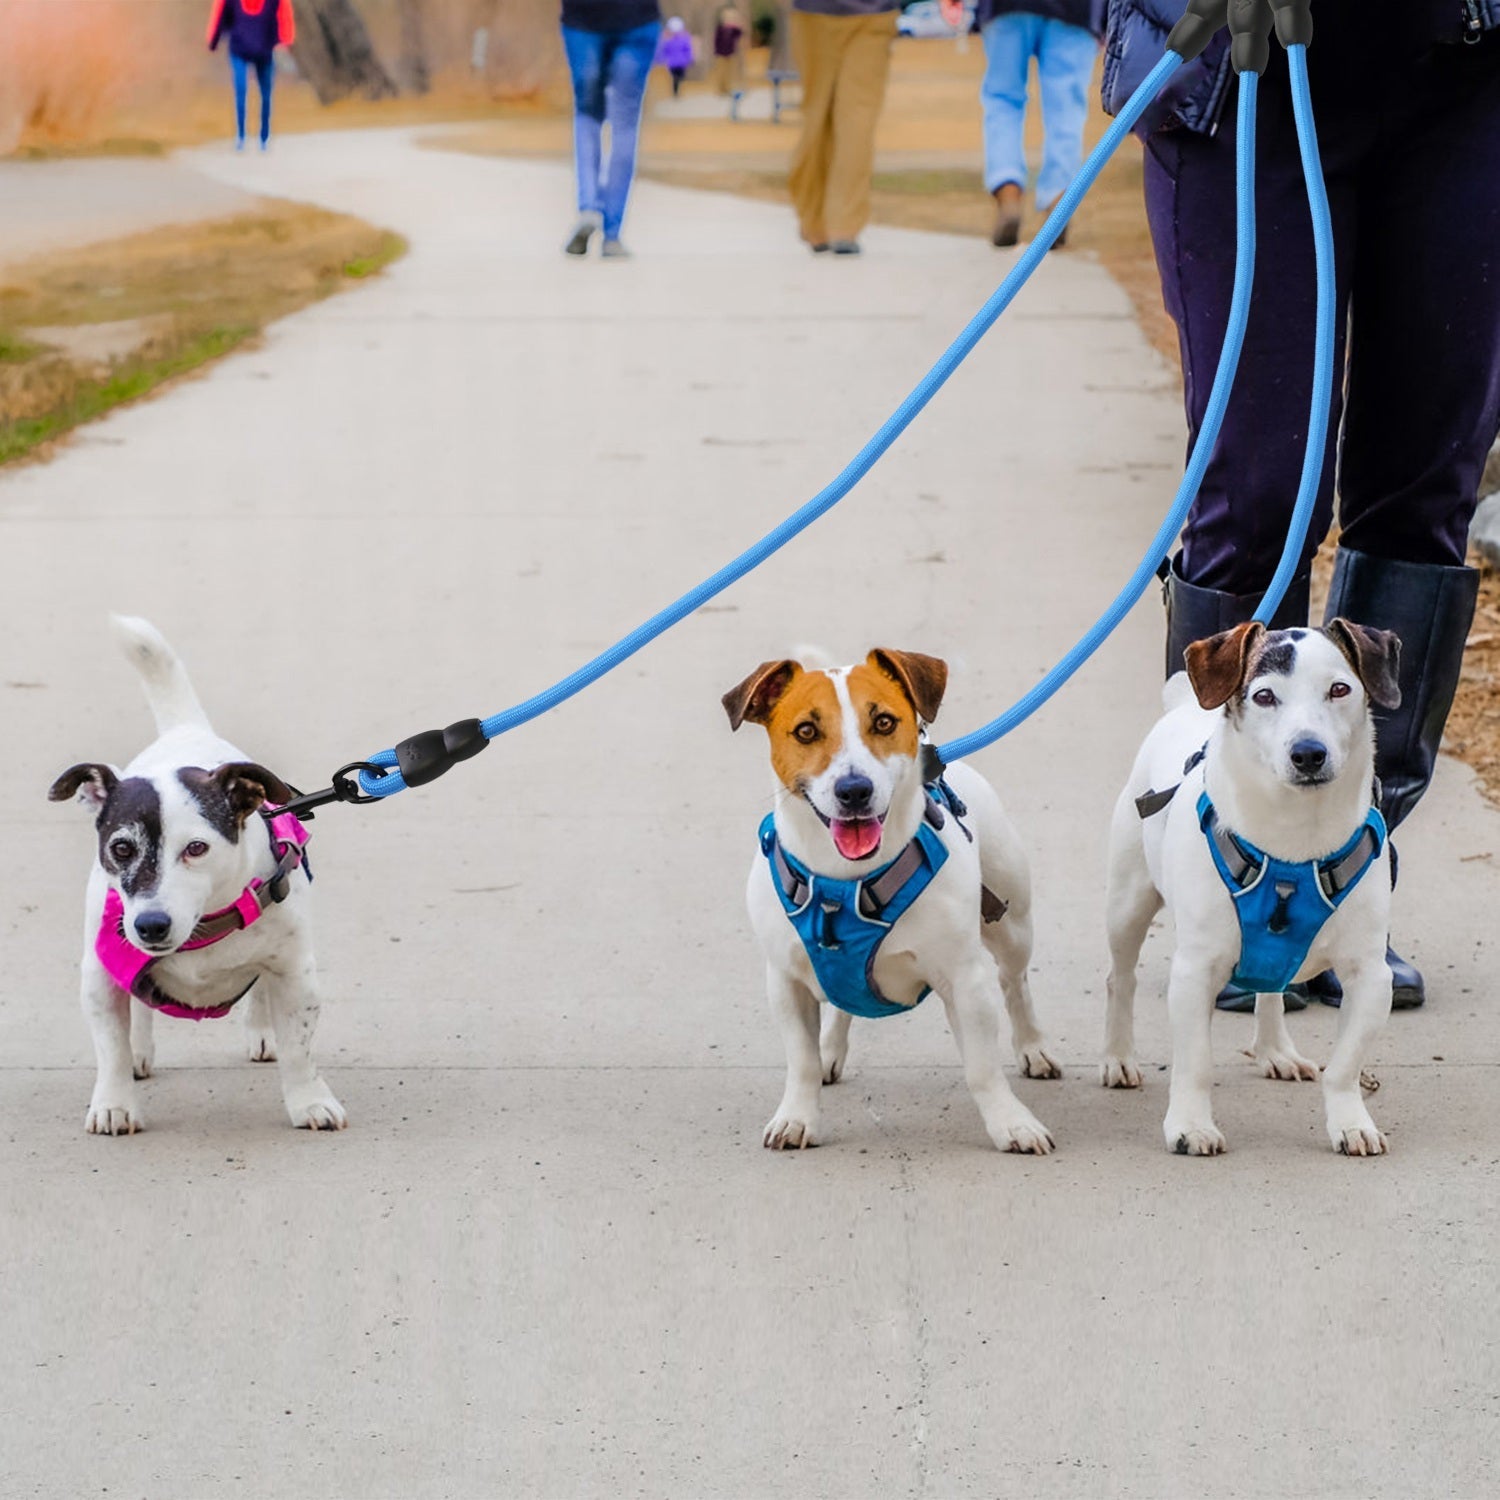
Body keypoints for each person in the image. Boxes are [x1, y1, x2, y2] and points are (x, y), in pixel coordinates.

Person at [1102, 0, 1500, 1010]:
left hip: (1459, 71)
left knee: (1426, 485)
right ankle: (1224, 884)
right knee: (1258, 493)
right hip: (1240, 73)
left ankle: (1341, 890)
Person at [954, 0, 1103, 248]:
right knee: (1066, 108)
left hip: (1006, 7)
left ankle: (1008, 191)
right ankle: (1058, 201)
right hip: (1078, 10)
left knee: (1003, 100)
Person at [787, 0, 901, 256]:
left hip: (814, 12)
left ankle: (815, 222)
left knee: (817, 114)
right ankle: (843, 226)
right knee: (857, 119)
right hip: (872, 12)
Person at [560, 0, 664, 259]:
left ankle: (589, 207)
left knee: (587, 115)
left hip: (582, 19)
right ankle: (612, 235)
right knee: (625, 125)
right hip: (637, 18)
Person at [206, 0, 295, 152]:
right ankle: (241, 136)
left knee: (266, 95)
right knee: (241, 90)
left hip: (265, 50)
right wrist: (213, 41)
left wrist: (284, 41)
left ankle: (264, 137)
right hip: (239, 50)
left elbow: (284, 16)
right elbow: (219, 14)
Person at [712, 6, 747, 96]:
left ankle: (729, 88)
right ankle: (721, 89)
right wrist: (716, 51)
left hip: (731, 53)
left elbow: (740, 34)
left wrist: (738, 24)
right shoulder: (720, 29)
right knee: (721, 72)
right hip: (721, 53)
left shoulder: (733, 29)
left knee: (730, 72)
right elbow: (716, 40)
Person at [658, 16, 696, 96]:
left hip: (680, 63)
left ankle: (677, 89)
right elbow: (665, 50)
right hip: (674, 63)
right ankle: (676, 91)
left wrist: (690, 58)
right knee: (676, 77)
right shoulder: (669, 39)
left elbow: (687, 49)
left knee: (679, 77)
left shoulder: (684, 38)